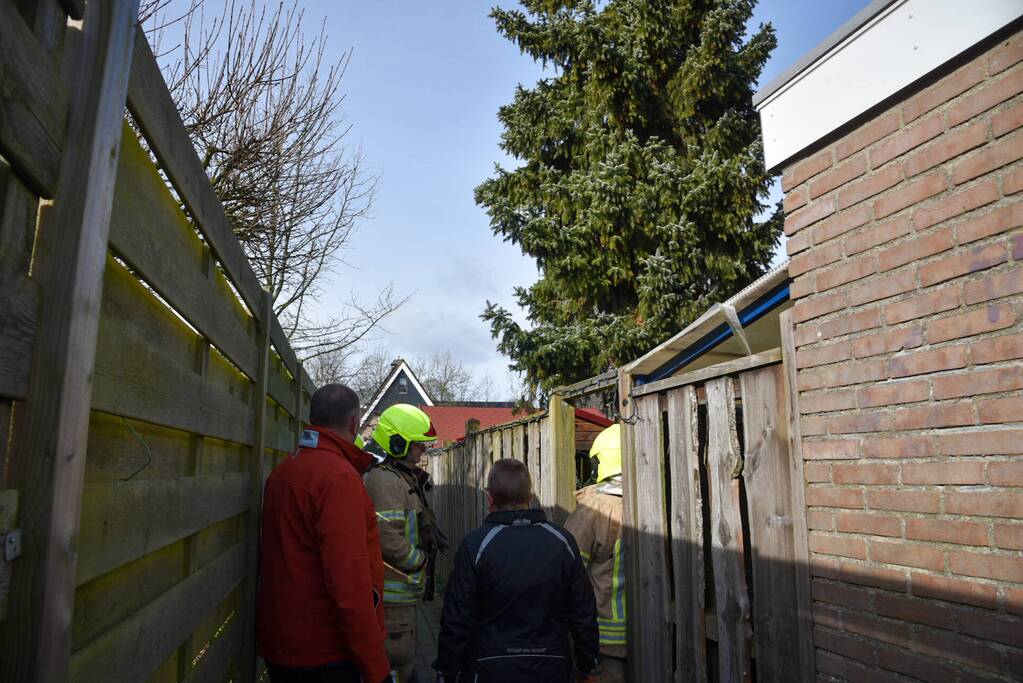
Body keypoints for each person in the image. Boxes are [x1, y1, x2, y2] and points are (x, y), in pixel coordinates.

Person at [257, 383, 392, 683]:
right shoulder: (339, 478)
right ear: (355, 423)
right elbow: (350, 586)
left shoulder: (284, 470)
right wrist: (377, 670)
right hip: (325, 655)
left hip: (282, 646)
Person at [434, 458, 599, 683]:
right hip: (551, 667)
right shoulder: (561, 541)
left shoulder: (476, 545)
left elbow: (457, 618)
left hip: (489, 668)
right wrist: (586, 664)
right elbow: (583, 611)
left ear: (489, 497)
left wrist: (447, 670)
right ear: (530, 498)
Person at [363, 403, 447, 682]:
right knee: (397, 665)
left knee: (405, 661)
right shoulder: (384, 481)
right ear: (397, 443)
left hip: (401, 597)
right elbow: (387, 538)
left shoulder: (401, 478)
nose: (424, 451)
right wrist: (420, 560)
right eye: (418, 446)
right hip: (392, 597)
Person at [564, 424, 627, 682]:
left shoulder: (593, 511)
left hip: (602, 642)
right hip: (652, 635)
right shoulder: (657, 501)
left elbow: (565, 570)